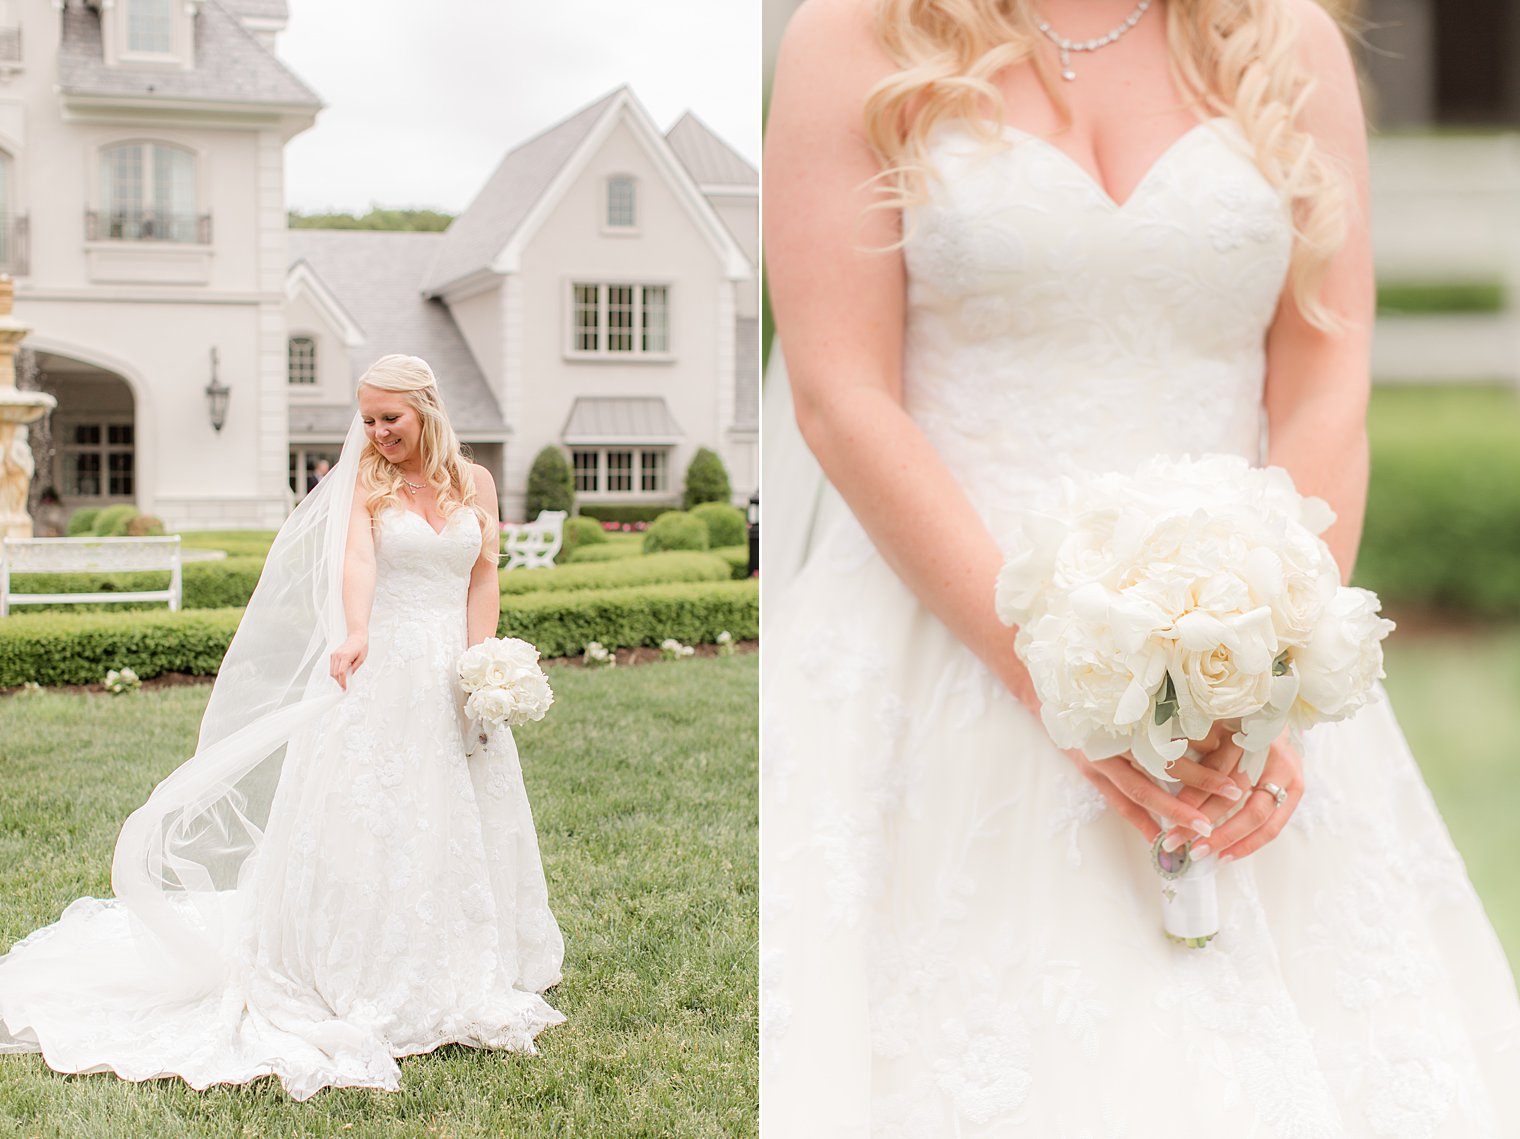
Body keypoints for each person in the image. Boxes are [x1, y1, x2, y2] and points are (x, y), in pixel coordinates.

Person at [761, 0, 1520, 1133]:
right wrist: (1051, 675)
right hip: (937, 632)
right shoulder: (852, 36)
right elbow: (839, 391)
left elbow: (1323, 382)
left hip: (1237, 649)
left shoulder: (1287, 41)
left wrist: (1269, 680)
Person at [0, 355, 564, 1099]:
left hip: (454, 672)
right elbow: (357, 560)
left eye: (389, 418)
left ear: (427, 409)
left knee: (455, 804)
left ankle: (467, 954)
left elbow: (482, 573)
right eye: (366, 418)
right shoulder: (368, 479)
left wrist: (483, 659)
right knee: (378, 810)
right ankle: (361, 962)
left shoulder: (476, 483)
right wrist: (354, 631)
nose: (376, 432)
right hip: (386, 664)